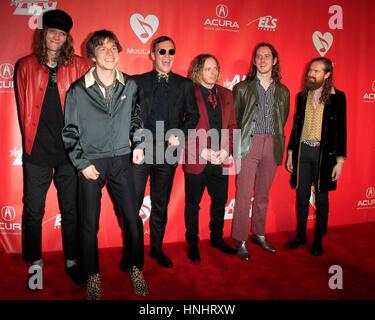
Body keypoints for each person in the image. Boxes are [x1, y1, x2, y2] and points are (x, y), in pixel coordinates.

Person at [62, 30, 147, 299]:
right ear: (92, 55)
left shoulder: (131, 85)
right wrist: (81, 163)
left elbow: (136, 120)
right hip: (90, 163)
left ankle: (135, 267)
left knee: (132, 219)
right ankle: (92, 275)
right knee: (89, 224)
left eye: (114, 48)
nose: (110, 53)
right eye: (102, 48)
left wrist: (139, 144)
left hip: (122, 160)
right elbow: (70, 131)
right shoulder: (78, 89)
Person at [15, 9, 90, 287]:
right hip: (38, 152)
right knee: (34, 209)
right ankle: (35, 262)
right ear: (43, 34)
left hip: (70, 152)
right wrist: (29, 144)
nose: (57, 37)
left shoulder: (81, 66)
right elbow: (24, 108)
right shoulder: (25, 65)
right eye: (52, 31)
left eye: (62, 33)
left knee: (71, 208)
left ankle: (72, 260)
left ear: (67, 37)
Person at [130, 36, 199, 268]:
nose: (167, 56)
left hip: (168, 152)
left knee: (160, 204)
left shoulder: (184, 84)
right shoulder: (136, 82)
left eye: (171, 51)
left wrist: (179, 133)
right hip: (141, 149)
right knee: (132, 204)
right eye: (162, 52)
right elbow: (128, 115)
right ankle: (133, 251)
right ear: (152, 54)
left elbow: (193, 116)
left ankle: (156, 249)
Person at [231, 43, 290, 260]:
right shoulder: (242, 88)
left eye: (267, 56)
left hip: (272, 144)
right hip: (249, 143)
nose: (263, 60)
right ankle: (240, 239)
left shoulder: (283, 91)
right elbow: (235, 120)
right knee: (244, 193)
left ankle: (259, 233)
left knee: (263, 194)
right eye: (259, 56)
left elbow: (282, 119)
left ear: (274, 60)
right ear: (254, 60)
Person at [284, 57, 346, 256]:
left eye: (317, 71)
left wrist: (340, 161)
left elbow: (341, 131)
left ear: (327, 75)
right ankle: (301, 236)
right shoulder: (301, 96)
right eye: (311, 69)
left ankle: (318, 239)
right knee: (301, 196)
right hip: (303, 151)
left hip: (324, 155)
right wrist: (291, 153)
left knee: (321, 198)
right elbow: (295, 127)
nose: (311, 73)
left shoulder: (338, 97)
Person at [183, 54, 237, 262]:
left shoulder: (227, 94)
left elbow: (233, 126)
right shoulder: (188, 93)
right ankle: (193, 244)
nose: (213, 72)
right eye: (207, 68)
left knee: (220, 200)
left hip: (221, 159)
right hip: (198, 160)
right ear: (198, 71)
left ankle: (217, 238)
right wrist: (202, 152)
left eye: (215, 68)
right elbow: (182, 129)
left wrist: (227, 150)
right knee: (192, 204)